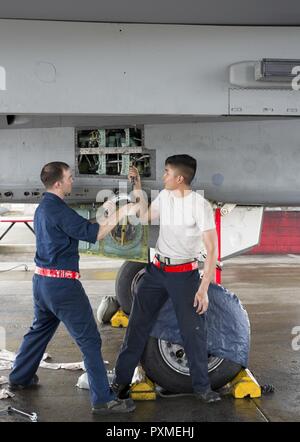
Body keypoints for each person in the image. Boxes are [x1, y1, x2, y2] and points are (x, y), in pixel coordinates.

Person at [9, 161, 136, 414]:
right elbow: (94, 234)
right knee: (90, 340)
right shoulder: (58, 210)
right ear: (58, 183)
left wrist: (105, 211)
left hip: (42, 283)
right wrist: (121, 213)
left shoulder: (46, 207)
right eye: (69, 177)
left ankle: (20, 377)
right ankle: (103, 400)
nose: (72, 181)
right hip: (63, 286)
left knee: (39, 330)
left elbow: (77, 227)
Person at [112, 154, 221, 403]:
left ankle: (203, 388)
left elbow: (212, 249)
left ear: (180, 178)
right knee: (136, 326)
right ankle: (120, 382)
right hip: (156, 272)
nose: (163, 177)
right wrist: (137, 186)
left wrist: (203, 287)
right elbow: (145, 216)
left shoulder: (199, 205)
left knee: (193, 333)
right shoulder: (165, 196)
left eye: (167, 173)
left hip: (185, 277)